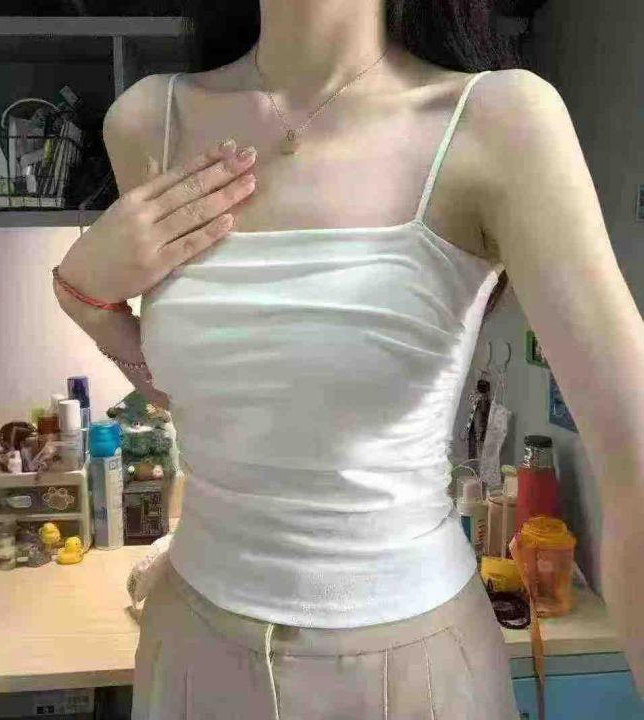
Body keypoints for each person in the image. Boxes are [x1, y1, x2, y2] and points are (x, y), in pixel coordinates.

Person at [53, 0, 644, 717]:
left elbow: (636, 467)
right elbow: (218, 400)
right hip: (188, 647)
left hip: (408, 670)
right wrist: (87, 304)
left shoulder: (499, 121)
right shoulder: (149, 121)